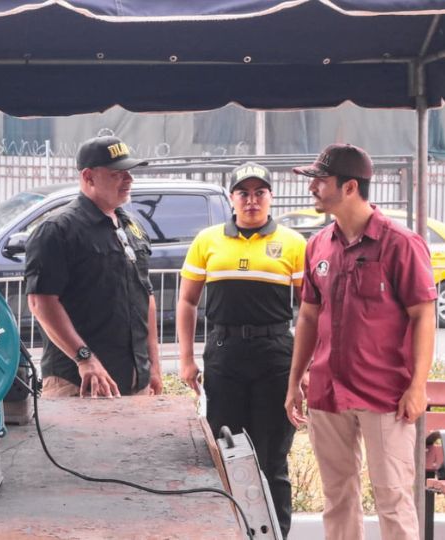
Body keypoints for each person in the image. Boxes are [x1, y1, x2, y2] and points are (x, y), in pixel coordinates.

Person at [284, 144, 436, 540]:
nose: (312, 187)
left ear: (350, 187)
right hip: (327, 392)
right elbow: (308, 315)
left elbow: (423, 316)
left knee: (393, 498)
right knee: (337, 498)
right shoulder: (317, 245)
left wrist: (417, 387)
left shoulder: (400, 243)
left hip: (385, 394)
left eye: (320, 180)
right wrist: (295, 380)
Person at [177, 162, 305, 538]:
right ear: (232, 198)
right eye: (243, 193)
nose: (251, 201)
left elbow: (313, 311)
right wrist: (185, 359)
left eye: (259, 192)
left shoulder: (295, 243)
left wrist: (306, 368)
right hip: (224, 353)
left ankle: (275, 534)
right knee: (225, 453)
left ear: (271, 197)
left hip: (276, 355)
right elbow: (187, 302)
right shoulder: (207, 241)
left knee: (271, 458)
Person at [24, 135, 162, 398]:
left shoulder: (132, 225)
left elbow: (146, 297)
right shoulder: (57, 229)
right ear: (88, 177)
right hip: (80, 382)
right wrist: (84, 358)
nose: (129, 180)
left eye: (129, 173)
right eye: (117, 174)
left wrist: (153, 365)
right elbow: (41, 303)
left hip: (134, 379)